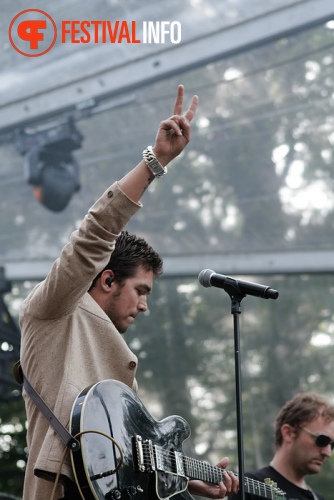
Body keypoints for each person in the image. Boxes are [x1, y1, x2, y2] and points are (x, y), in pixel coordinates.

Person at [19, 85, 239, 500]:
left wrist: (184, 479)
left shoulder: (119, 373)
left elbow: (134, 461)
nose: (145, 305)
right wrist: (154, 162)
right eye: (140, 290)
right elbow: (96, 233)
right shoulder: (54, 309)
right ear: (106, 279)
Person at [229, 392, 334, 500]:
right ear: (288, 433)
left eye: (332, 445)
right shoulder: (248, 487)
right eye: (322, 440)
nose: (328, 453)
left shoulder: (318, 498)